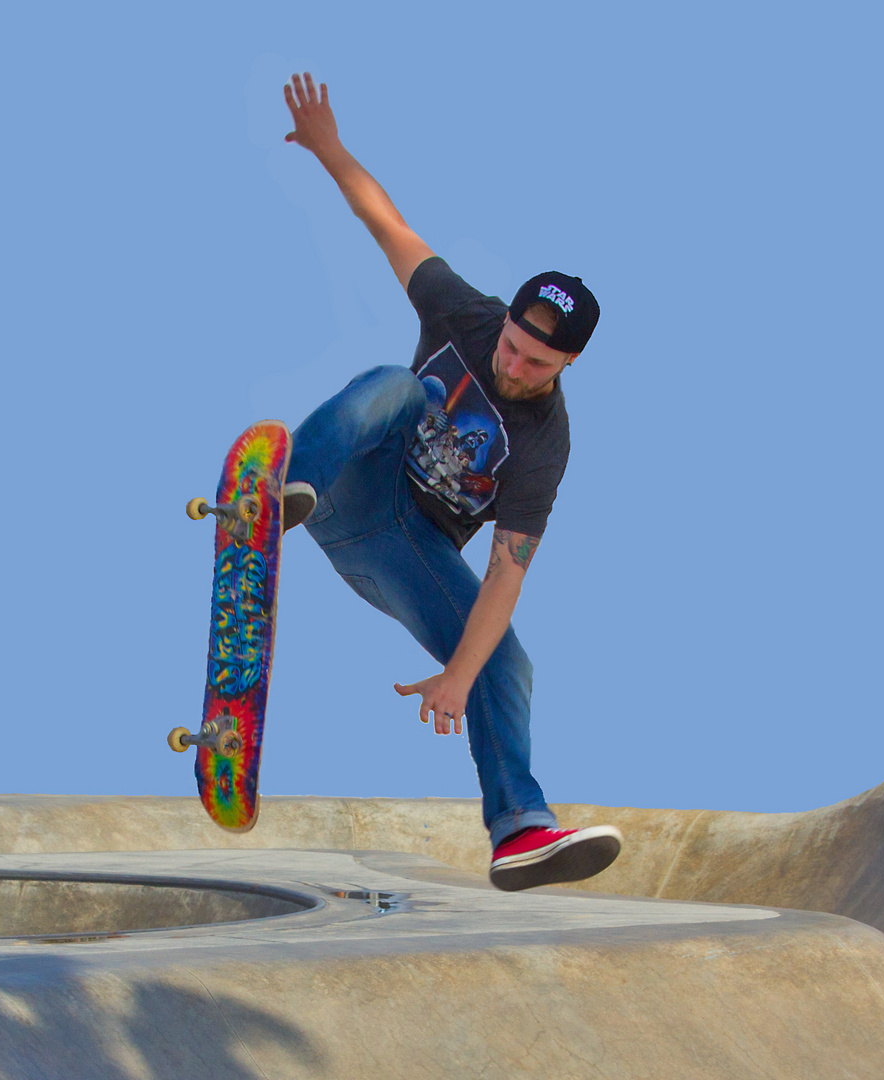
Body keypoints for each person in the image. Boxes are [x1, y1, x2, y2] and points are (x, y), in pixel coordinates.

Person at [278, 72, 621, 891]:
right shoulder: (463, 310)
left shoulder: (546, 444)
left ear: (568, 362)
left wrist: (462, 675)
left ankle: (518, 831)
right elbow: (386, 224)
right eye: (512, 344)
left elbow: (507, 571)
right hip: (348, 486)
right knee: (400, 386)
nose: (513, 363)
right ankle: (277, 492)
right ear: (504, 320)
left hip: (403, 553)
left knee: (509, 661)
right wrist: (329, 148)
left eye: (537, 362)